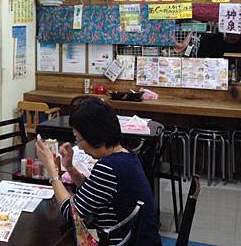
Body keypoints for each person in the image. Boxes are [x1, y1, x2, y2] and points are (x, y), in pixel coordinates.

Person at [36, 97, 161, 246]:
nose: (79, 146)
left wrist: (51, 168)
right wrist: (70, 168)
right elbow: (94, 192)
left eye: (79, 139)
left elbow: (72, 213)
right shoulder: (126, 157)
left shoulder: (108, 167)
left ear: (94, 136)